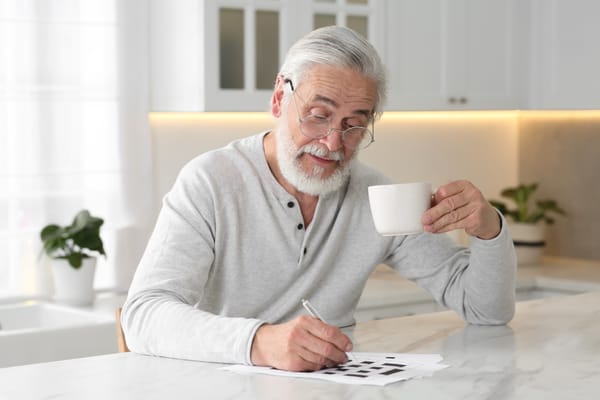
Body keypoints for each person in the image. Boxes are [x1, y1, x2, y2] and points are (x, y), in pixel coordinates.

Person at [121, 26, 516, 372]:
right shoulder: (209, 182)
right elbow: (142, 317)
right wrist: (259, 342)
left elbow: (486, 310)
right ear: (279, 98)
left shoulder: (374, 196)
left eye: (354, 124)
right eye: (318, 115)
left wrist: (488, 229)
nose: (333, 143)